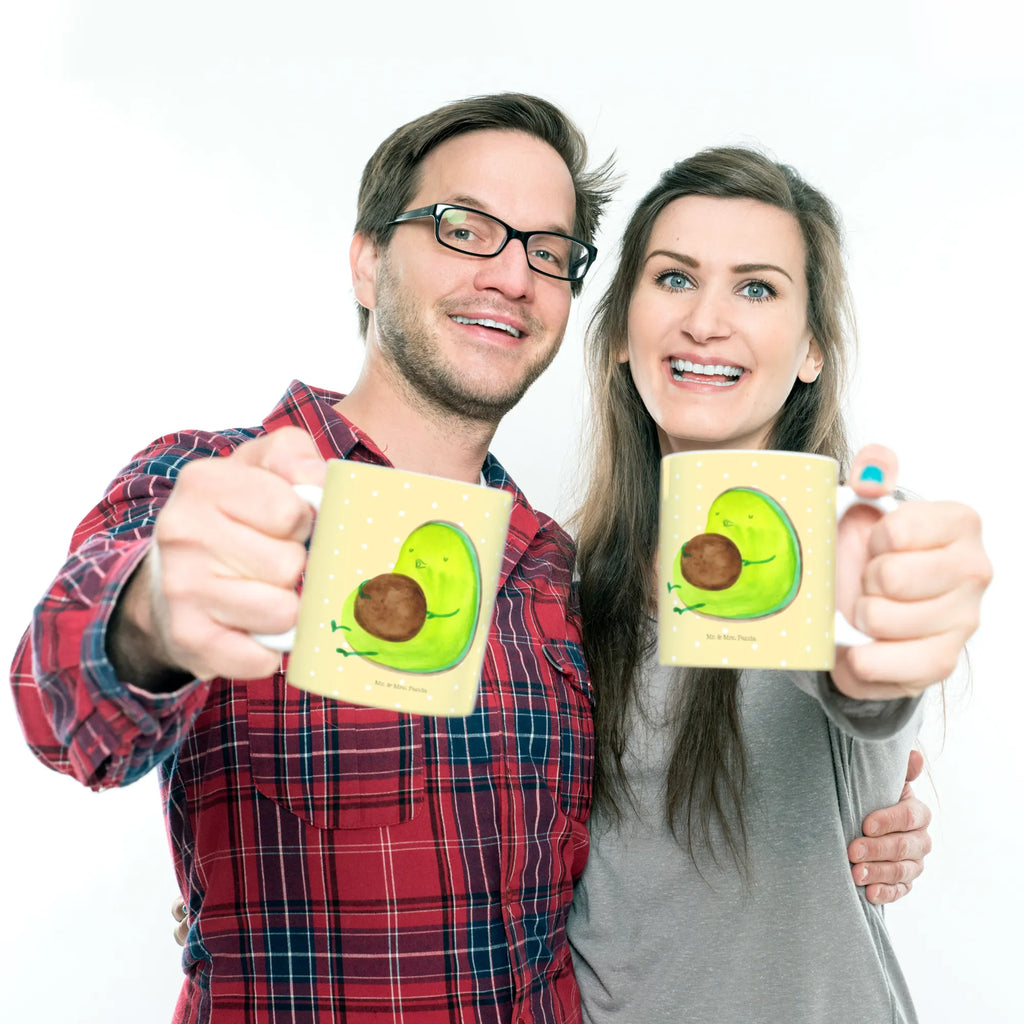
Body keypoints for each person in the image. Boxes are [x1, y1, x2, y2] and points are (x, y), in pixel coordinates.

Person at [11, 95, 948, 1023]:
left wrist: (881, 735)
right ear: (368, 261)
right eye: (466, 229)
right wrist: (153, 618)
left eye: (546, 251)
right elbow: (64, 710)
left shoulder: (552, 572)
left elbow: (847, 684)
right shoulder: (216, 486)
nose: (510, 275)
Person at [566, 147, 992, 1023]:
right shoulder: (563, 582)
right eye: (675, 279)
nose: (707, 322)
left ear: (810, 352)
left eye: (756, 288)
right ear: (618, 331)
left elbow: (867, 684)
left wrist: (887, 643)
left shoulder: (848, 544)